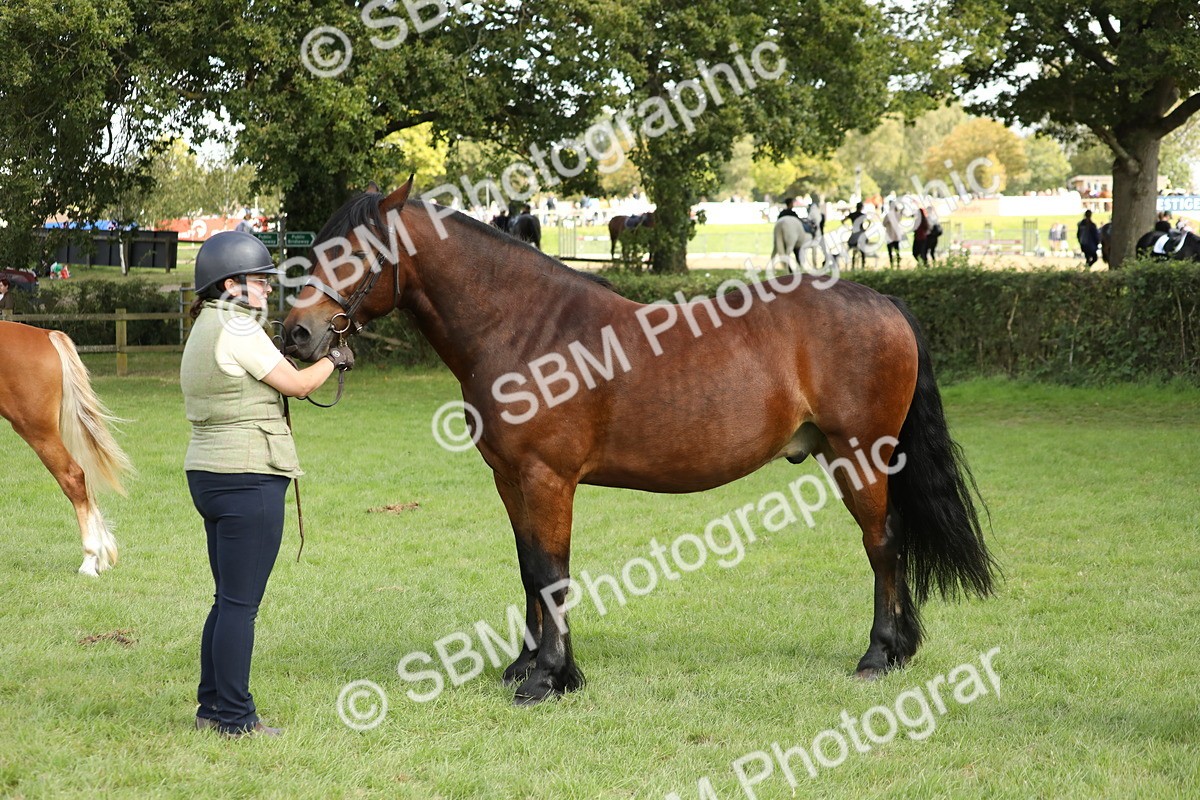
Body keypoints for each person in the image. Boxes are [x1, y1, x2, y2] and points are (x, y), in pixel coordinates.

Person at [181, 231, 354, 738]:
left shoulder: (204, 328)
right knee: (241, 605)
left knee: (226, 600)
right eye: (256, 281)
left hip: (208, 474)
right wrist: (334, 360)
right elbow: (298, 386)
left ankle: (212, 707)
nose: (264, 290)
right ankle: (236, 717)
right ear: (229, 284)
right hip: (248, 477)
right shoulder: (238, 328)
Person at [846, 202, 866, 270]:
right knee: (862, 250)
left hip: (854, 234)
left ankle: (853, 265)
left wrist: (847, 227)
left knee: (854, 250)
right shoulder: (862, 215)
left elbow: (843, 220)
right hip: (860, 233)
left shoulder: (852, 215)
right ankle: (863, 265)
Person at [884, 201, 903, 269]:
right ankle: (897, 264)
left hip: (891, 235)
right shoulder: (896, 214)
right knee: (897, 250)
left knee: (891, 251)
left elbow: (884, 223)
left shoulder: (889, 215)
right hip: (895, 235)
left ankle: (893, 264)